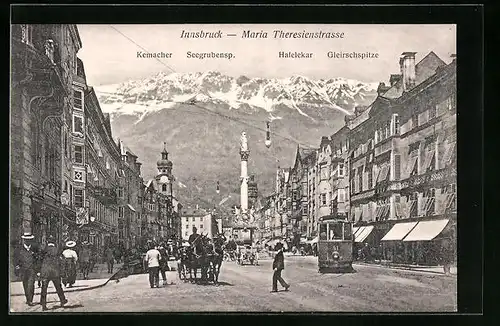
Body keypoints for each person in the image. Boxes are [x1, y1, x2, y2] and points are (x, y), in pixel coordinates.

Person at [39, 235, 68, 311]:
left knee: (44, 288)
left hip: (45, 272)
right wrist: (62, 272)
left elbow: (39, 261)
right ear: (54, 242)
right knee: (58, 287)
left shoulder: (43, 250)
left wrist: (39, 271)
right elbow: (62, 261)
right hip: (55, 272)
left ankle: (43, 304)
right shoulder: (57, 250)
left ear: (47, 242)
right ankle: (62, 300)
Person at [14, 232, 41, 306]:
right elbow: (15, 259)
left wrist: (38, 270)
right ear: (24, 240)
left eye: (30, 240)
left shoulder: (35, 248)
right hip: (23, 270)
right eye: (26, 240)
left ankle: (30, 300)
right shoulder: (19, 249)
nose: (28, 241)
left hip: (32, 270)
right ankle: (27, 298)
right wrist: (17, 266)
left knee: (31, 285)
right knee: (25, 285)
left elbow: (38, 260)